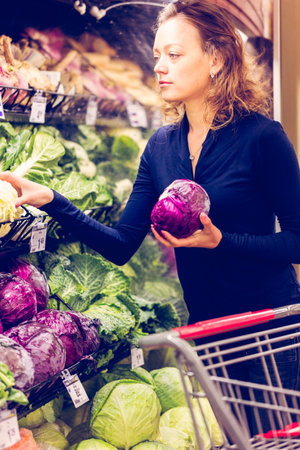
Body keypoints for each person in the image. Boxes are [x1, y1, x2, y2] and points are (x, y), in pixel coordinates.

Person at [1, 0, 300, 417]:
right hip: (209, 335)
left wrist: (220, 241)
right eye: (158, 55)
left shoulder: (262, 137)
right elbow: (123, 244)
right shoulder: (161, 146)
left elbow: (296, 243)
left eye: (174, 55)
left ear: (215, 59)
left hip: (268, 332)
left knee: (272, 438)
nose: (160, 66)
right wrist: (54, 200)